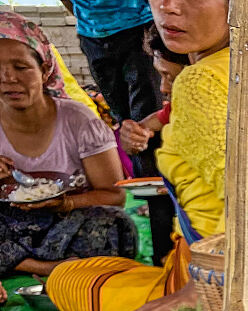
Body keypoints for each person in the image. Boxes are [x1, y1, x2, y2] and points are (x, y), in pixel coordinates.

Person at [46, 0, 248, 311]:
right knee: (102, 268)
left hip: (237, 277)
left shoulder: (198, 82)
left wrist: (196, 294)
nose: (168, 8)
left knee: (66, 279)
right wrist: (146, 127)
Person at [0, 11, 134, 278]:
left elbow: (114, 196)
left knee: (113, 225)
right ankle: (46, 268)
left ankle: (16, 262)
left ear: (44, 68)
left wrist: (65, 205)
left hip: (67, 222)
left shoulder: (78, 120)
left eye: (21, 67)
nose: (8, 78)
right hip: (10, 223)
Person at [58, 0, 159, 131]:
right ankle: (131, 148)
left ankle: (150, 149)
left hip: (138, 28)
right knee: (119, 111)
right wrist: (89, 19)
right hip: (92, 36)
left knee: (146, 109)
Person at [118, 25, 188, 158]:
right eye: (161, 76)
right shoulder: (179, 109)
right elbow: (154, 121)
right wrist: (133, 134)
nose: (163, 88)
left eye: (171, 78)